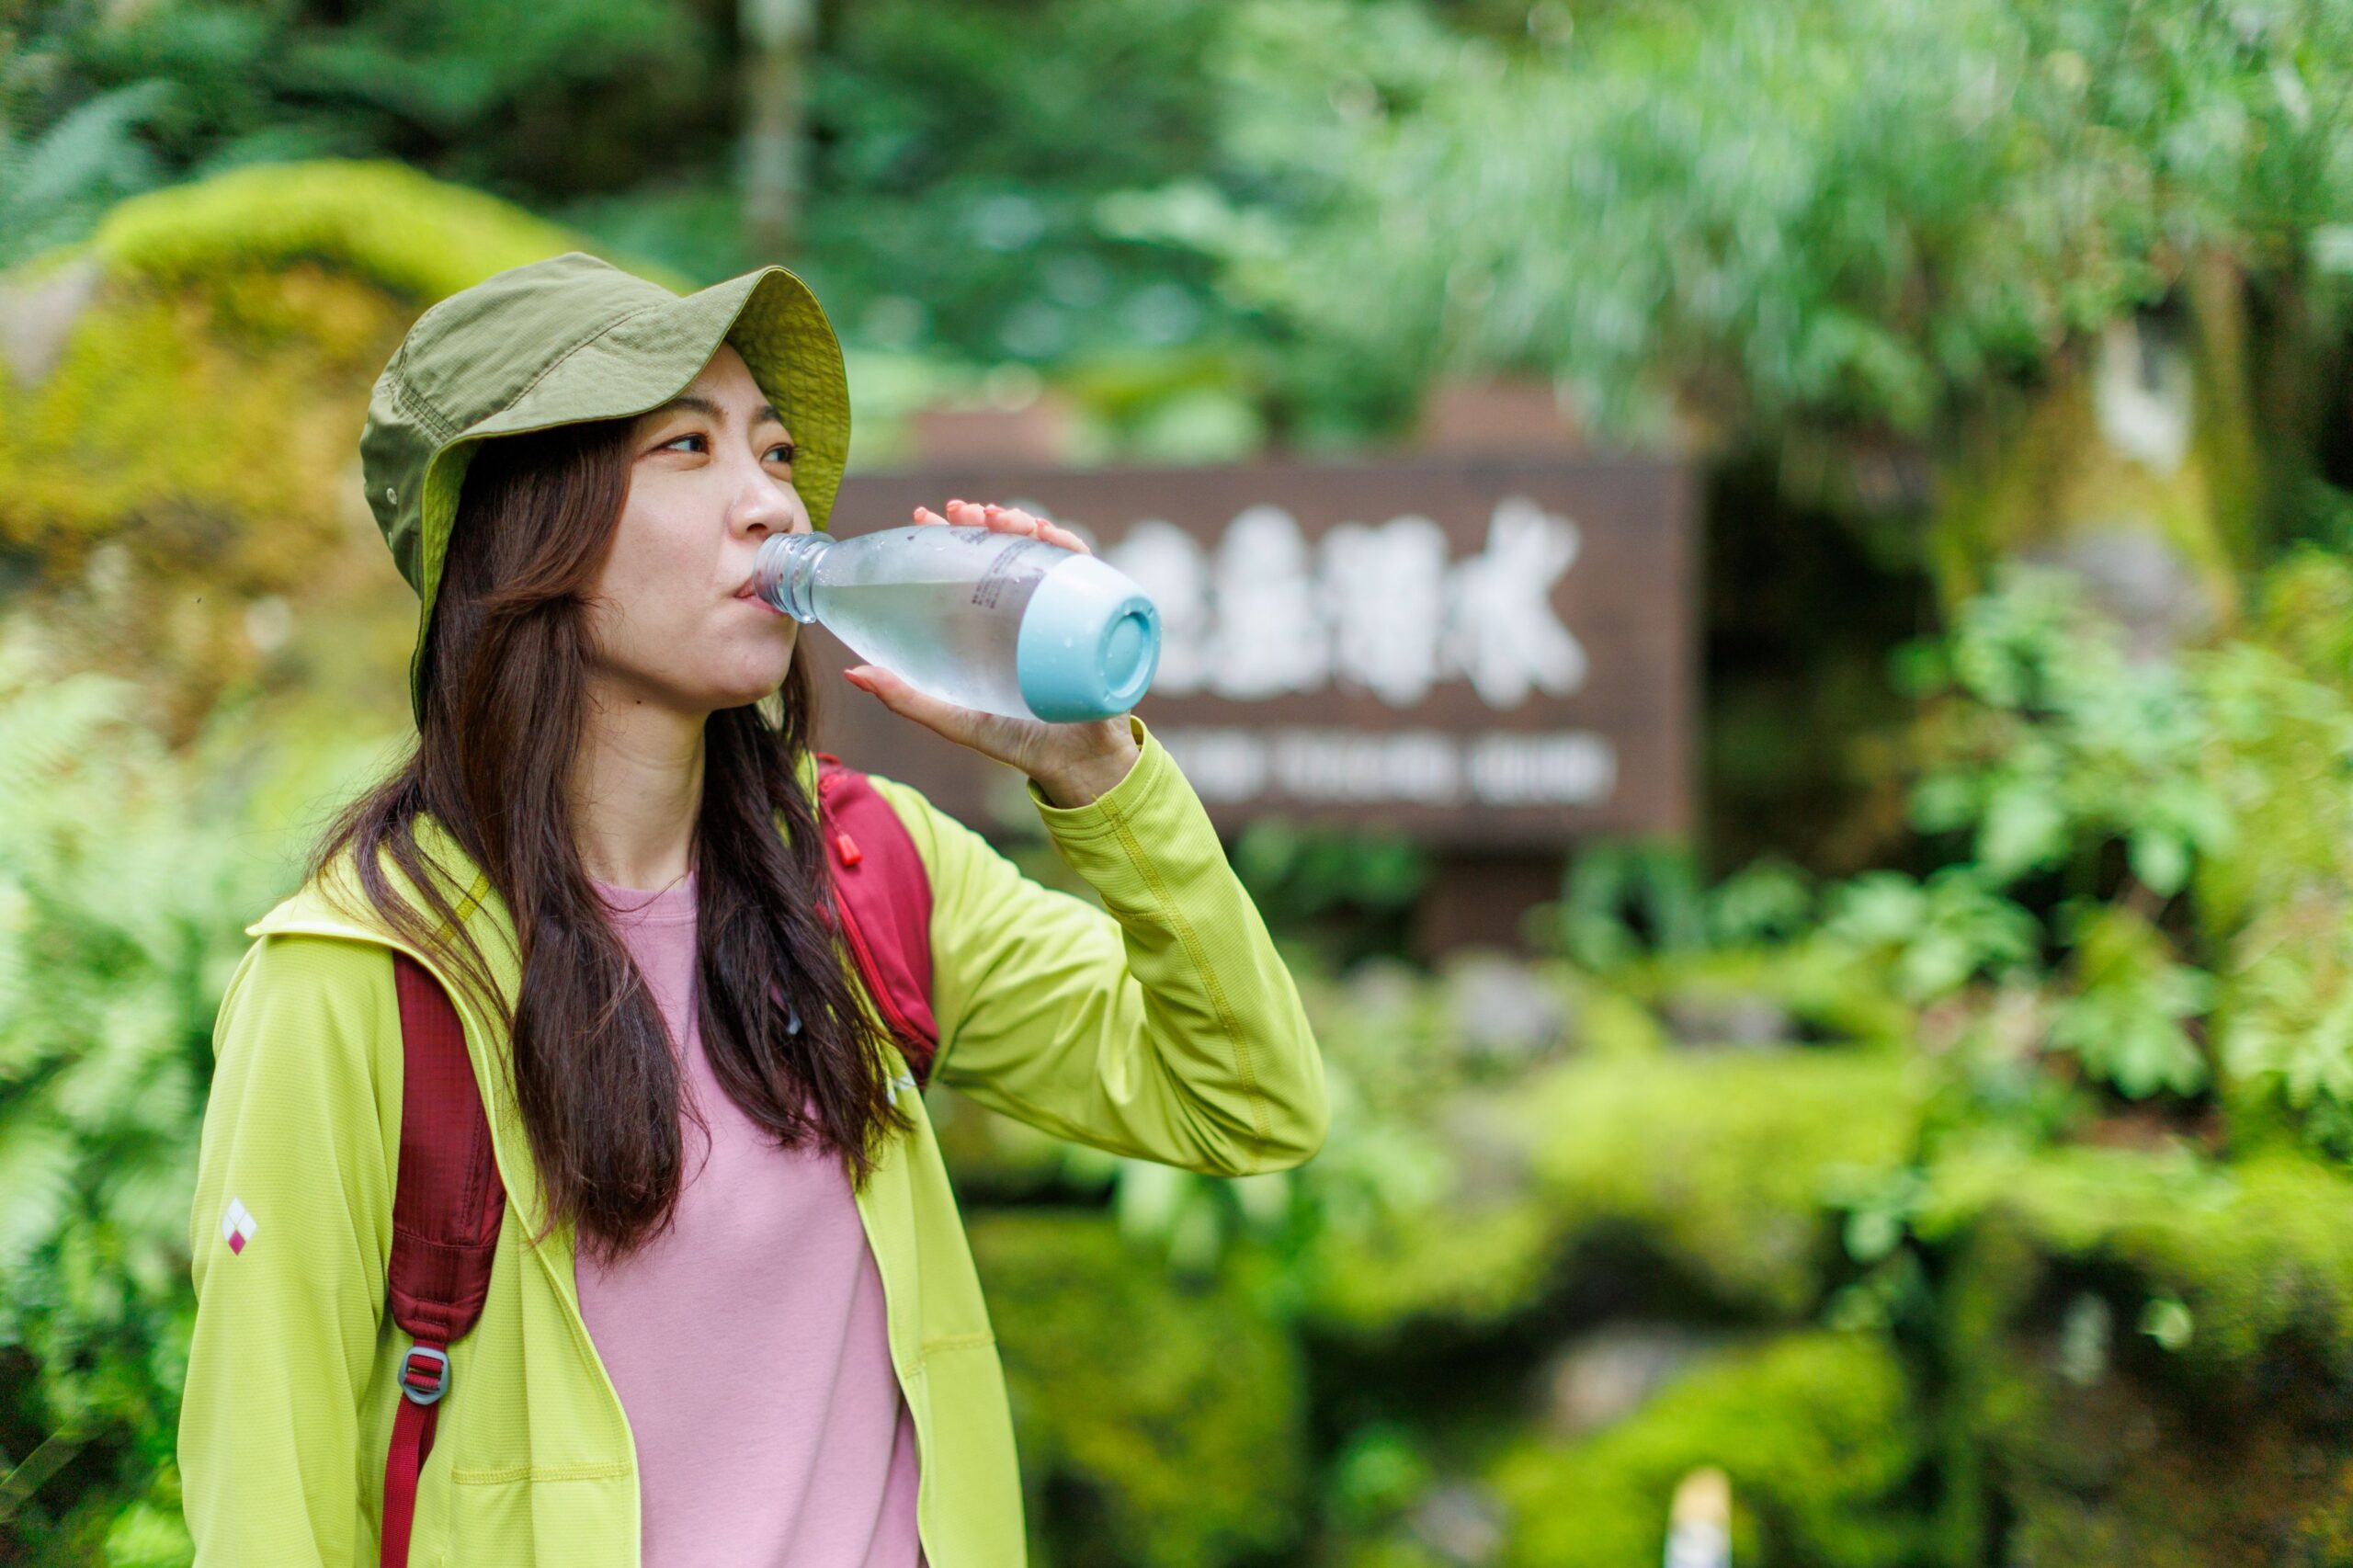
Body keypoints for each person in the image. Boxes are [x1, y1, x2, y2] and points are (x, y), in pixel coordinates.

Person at [176, 251, 1328, 1568]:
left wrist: (1098, 773)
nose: (770, 504)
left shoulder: (863, 872)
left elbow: (1246, 1096)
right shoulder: (361, 977)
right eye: (686, 444)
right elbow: (267, 1505)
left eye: (776, 454)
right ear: (522, 528)